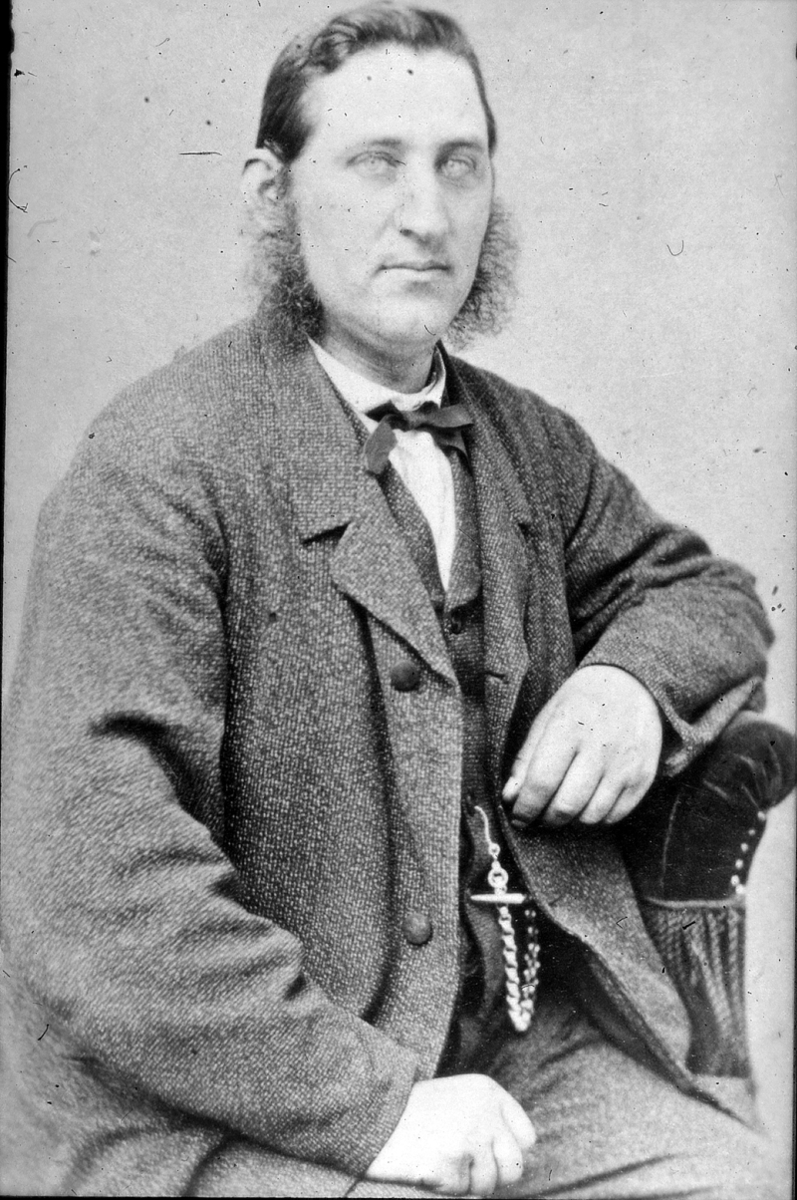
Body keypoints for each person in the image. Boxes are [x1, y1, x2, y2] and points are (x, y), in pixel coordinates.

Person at [0, 4, 784, 1197]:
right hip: (231, 1102)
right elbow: (97, 896)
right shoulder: (154, 470)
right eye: (376, 163)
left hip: (513, 1054)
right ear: (271, 194)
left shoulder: (525, 441)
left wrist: (629, 685)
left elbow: (704, 594)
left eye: (458, 165)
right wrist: (376, 1107)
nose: (427, 214)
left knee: (733, 1184)